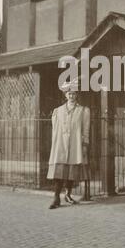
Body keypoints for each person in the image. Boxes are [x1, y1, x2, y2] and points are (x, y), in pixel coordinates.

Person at [47, 80, 90, 209]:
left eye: (74, 94)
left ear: (77, 95)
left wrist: (84, 145)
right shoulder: (58, 111)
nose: (71, 96)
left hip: (74, 144)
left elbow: (85, 129)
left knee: (71, 171)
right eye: (69, 94)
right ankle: (56, 198)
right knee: (59, 171)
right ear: (65, 95)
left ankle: (68, 194)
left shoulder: (83, 111)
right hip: (60, 145)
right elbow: (55, 129)